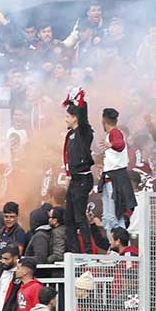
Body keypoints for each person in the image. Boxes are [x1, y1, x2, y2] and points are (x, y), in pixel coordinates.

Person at [62, 88, 94, 254]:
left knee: (80, 217)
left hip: (83, 178)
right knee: (68, 218)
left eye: (68, 116)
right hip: (74, 179)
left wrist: (81, 102)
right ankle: (74, 251)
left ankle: (87, 251)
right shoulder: (71, 134)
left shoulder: (83, 132)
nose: (65, 119)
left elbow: (85, 118)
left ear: (75, 118)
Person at [98, 108, 136, 233]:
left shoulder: (115, 133)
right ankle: (115, 248)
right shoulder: (112, 134)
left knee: (113, 218)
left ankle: (119, 249)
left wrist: (112, 144)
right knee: (110, 218)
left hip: (115, 181)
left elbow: (120, 144)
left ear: (104, 121)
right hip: (111, 179)